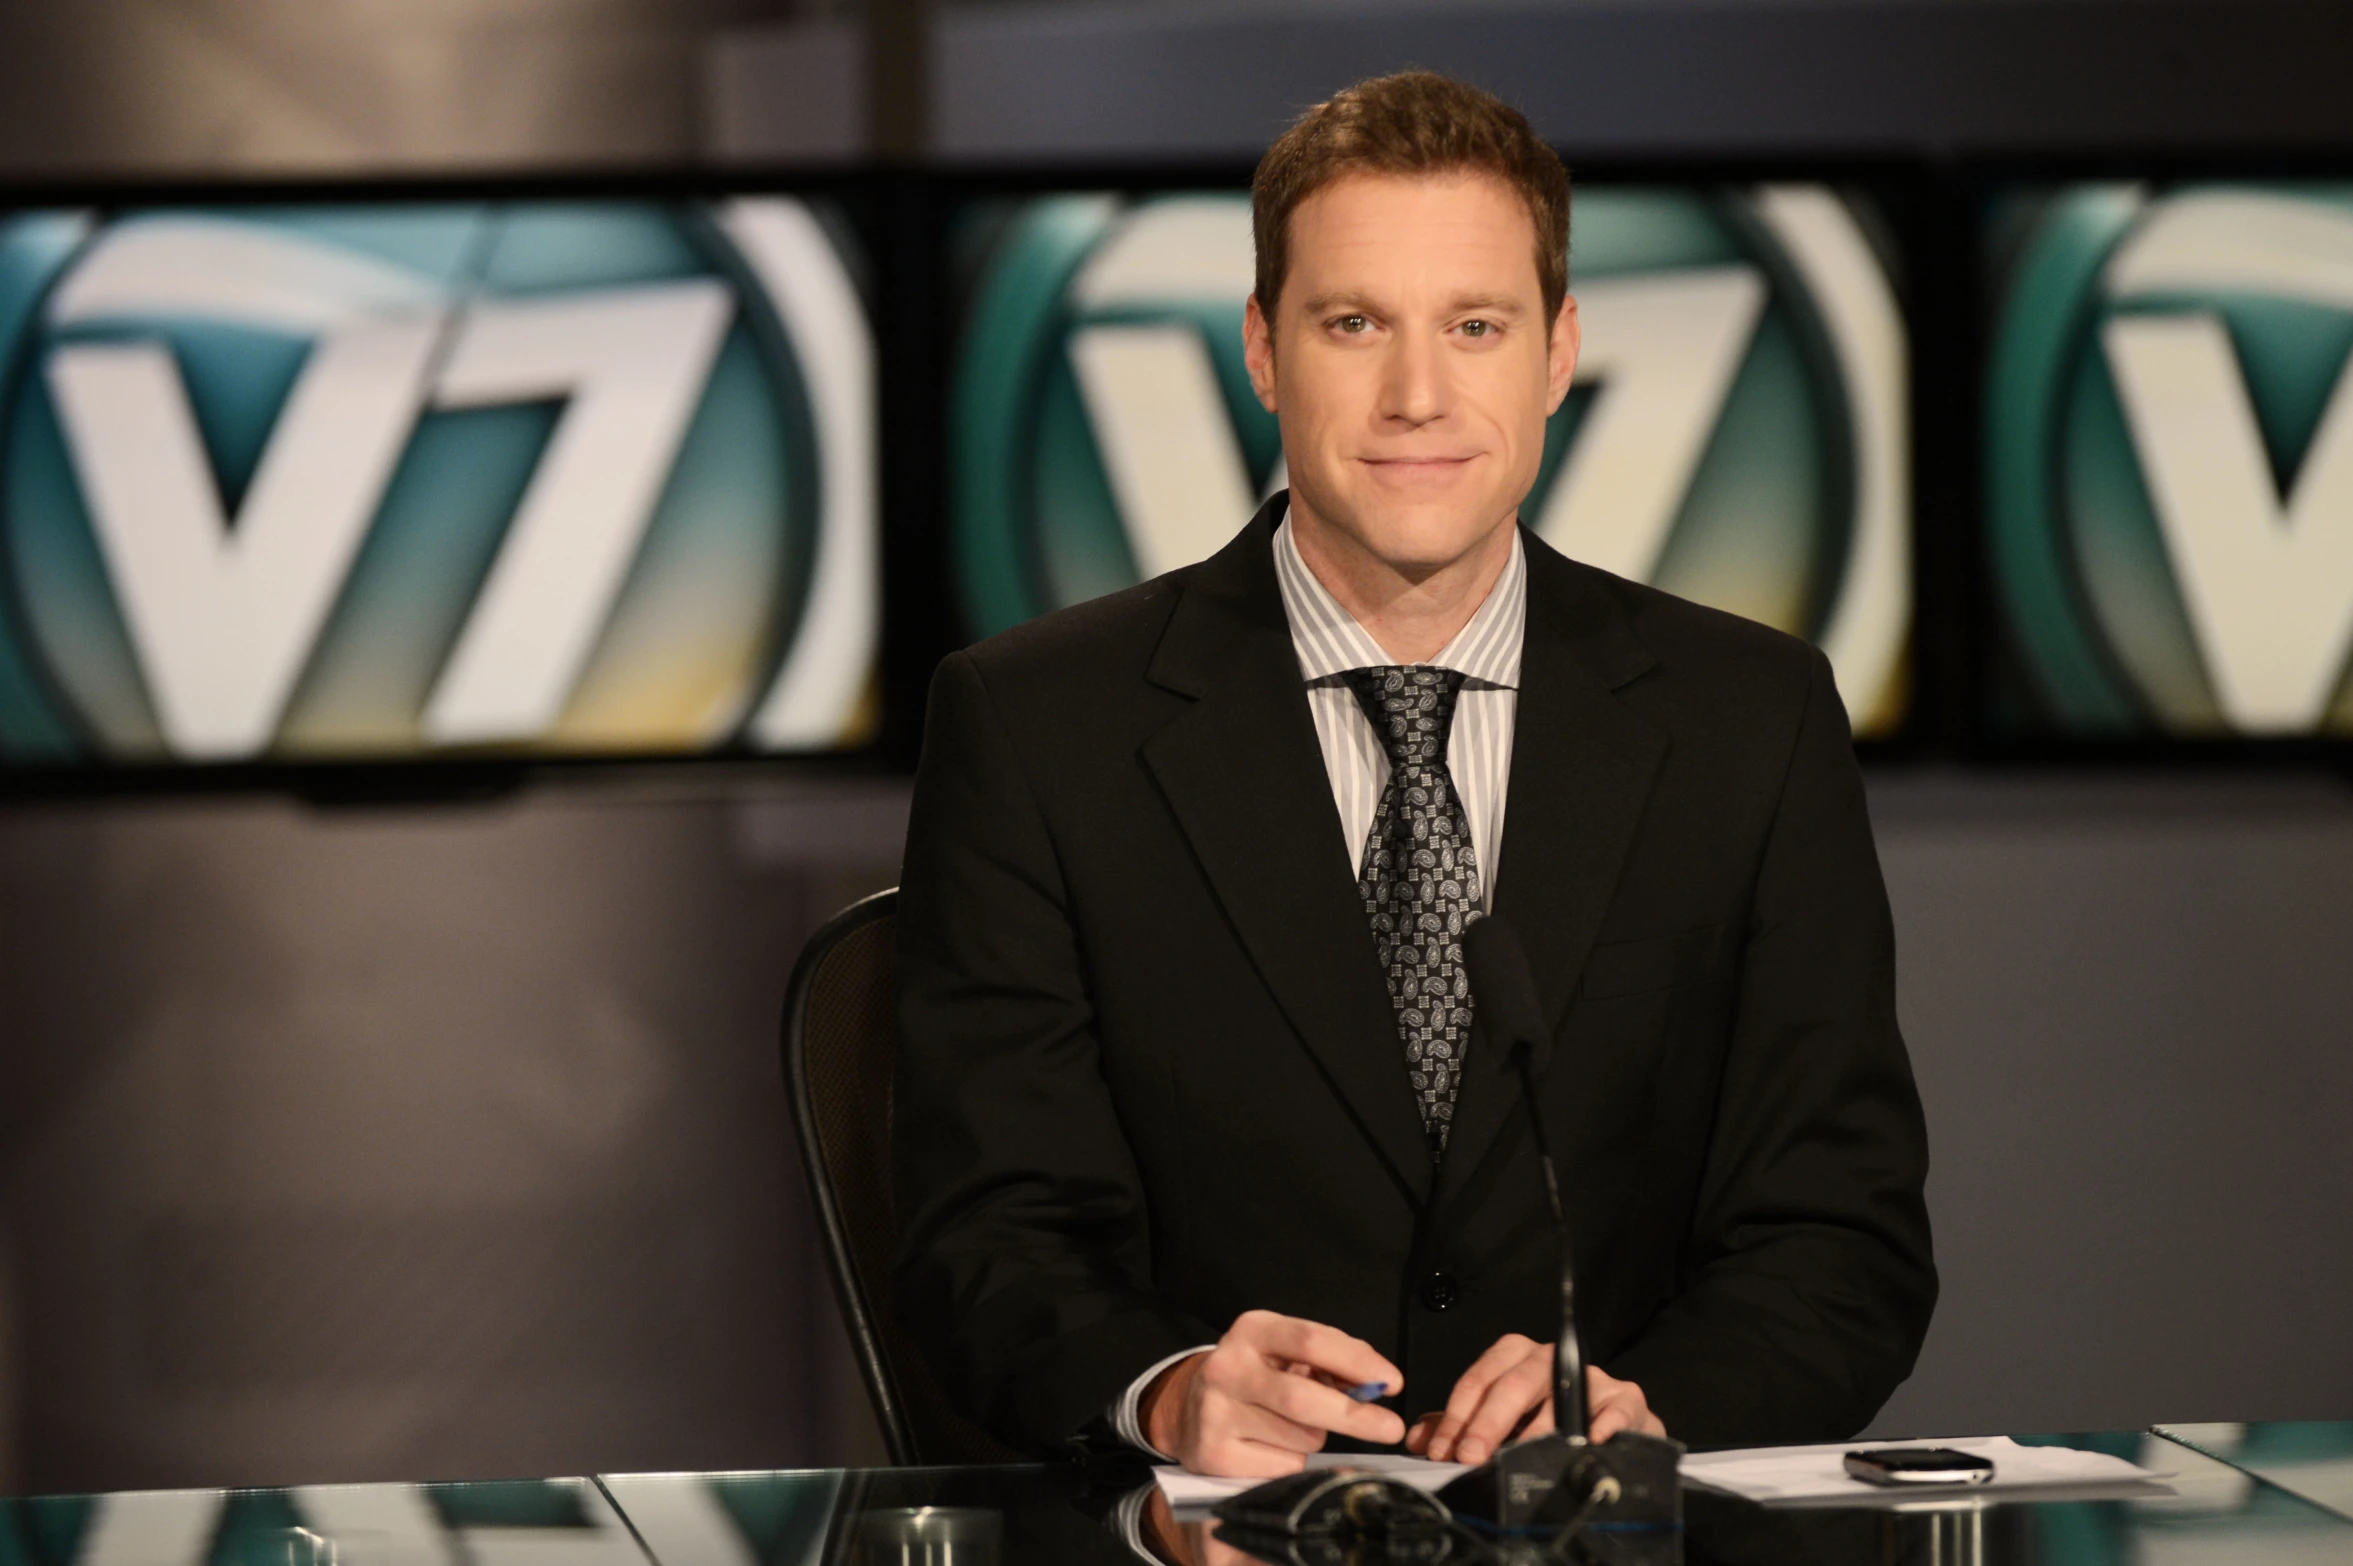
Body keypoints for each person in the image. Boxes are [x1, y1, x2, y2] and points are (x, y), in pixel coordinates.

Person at [892, 70, 1935, 1478]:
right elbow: (984, 1233)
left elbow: (1841, 1233)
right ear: (1264, 351)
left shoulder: (1751, 720)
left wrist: (1648, 1405)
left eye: (1476, 325)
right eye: (1354, 323)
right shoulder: (1035, 726)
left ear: (1559, 353)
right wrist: (1166, 1385)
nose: (1418, 395)